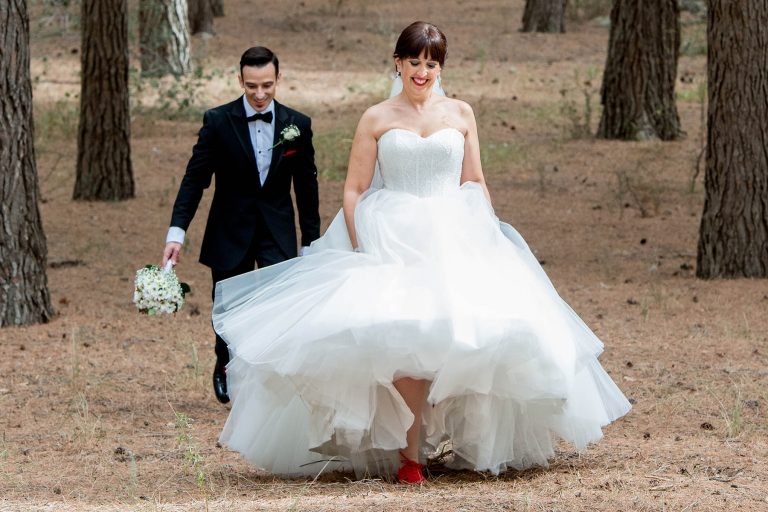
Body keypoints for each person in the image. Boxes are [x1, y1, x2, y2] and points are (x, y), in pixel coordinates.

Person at [212, 22, 630, 484]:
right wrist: (361, 241)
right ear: (398, 63)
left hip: (455, 234)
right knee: (403, 335)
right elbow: (354, 190)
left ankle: (457, 440)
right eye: (415, 62)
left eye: (432, 64)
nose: (423, 72)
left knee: (471, 334)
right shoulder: (376, 117)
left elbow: (474, 180)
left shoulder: (461, 113)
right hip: (392, 235)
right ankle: (409, 456)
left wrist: (488, 233)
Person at [162, 46, 320, 404]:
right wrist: (177, 232)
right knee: (228, 306)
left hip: (277, 229)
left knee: (278, 305)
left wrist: (310, 241)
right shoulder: (218, 122)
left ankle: (269, 376)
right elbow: (194, 181)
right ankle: (225, 364)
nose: (260, 95)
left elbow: (306, 188)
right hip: (229, 229)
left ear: (278, 79)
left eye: (267, 85)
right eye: (252, 87)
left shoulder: (298, 124)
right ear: (240, 81)